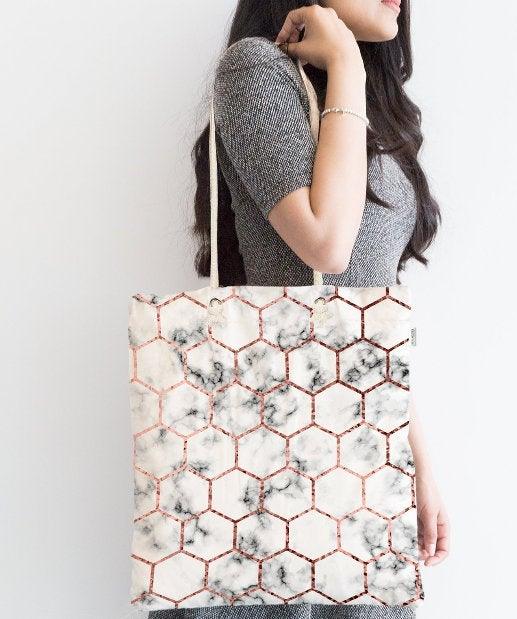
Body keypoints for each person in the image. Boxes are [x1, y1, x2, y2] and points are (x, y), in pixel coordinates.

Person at [152, 1, 449, 617]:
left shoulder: (373, 113)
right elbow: (327, 246)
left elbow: (369, 315)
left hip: (366, 467)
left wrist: (417, 461)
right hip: (258, 474)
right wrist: (345, 63)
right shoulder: (257, 70)